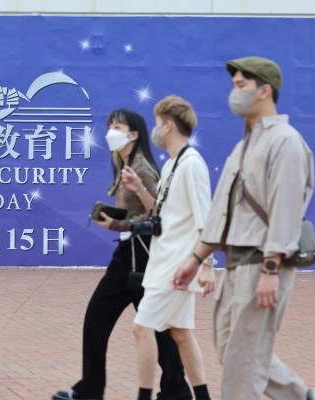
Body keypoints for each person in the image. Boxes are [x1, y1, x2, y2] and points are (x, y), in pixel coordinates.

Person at [172, 56, 315, 400]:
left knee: (242, 366)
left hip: (262, 262)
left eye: (241, 85)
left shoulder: (285, 141)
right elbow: (222, 210)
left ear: (264, 90)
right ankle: (303, 396)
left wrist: (271, 268)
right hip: (235, 264)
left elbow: (286, 208)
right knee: (232, 349)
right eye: (233, 85)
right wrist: (196, 258)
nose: (234, 92)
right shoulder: (243, 146)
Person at [52, 109, 192, 400]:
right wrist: (115, 218)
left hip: (142, 255)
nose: (110, 132)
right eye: (109, 125)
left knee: (139, 326)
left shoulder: (142, 168)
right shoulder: (123, 162)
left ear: (134, 135)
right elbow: (135, 213)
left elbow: (157, 213)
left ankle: (171, 390)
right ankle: (172, 390)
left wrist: (124, 213)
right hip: (129, 253)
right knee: (135, 325)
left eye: (117, 127)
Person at [123, 96, 215, 400]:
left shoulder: (192, 165)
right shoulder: (173, 164)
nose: (155, 130)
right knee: (181, 333)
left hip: (176, 268)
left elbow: (206, 220)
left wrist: (207, 266)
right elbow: (161, 213)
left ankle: (143, 396)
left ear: (168, 126)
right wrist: (139, 188)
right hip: (165, 263)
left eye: (157, 123)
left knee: (141, 329)